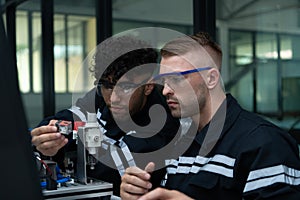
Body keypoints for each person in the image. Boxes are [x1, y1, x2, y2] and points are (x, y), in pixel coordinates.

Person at [120, 32, 300, 200]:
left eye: (176, 78)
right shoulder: (181, 141)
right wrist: (140, 193)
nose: (166, 90)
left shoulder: (264, 143)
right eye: (164, 81)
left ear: (211, 79)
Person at [31, 36, 180, 196]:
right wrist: (49, 137)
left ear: (148, 86)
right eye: (108, 86)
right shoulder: (101, 94)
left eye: (126, 87)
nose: (113, 98)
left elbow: (111, 171)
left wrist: (67, 146)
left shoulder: (163, 118)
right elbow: (67, 119)